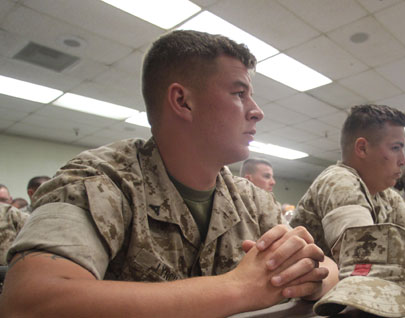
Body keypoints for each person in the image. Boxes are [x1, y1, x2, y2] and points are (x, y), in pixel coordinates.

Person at [0, 30, 338, 317]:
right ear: (183, 101)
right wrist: (236, 289)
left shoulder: (251, 198)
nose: (257, 112)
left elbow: (327, 270)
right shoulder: (101, 181)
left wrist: (309, 277)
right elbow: (27, 300)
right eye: (239, 93)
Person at [289, 105, 405, 269]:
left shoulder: (388, 196)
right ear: (362, 148)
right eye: (396, 148)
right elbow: (363, 260)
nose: (403, 161)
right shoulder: (339, 182)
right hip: (311, 305)